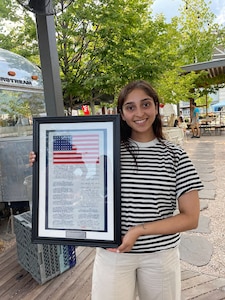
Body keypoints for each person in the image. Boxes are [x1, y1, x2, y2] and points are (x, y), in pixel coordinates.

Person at [29, 80, 203, 300]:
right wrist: (45, 164)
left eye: (146, 104)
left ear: (156, 106)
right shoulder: (108, 152)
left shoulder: (175, 155)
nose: (139, 113)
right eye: (130, 107)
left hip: (160, 255)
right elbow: (81, 191)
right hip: (113, 253)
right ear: (121, 114)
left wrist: (139, 230)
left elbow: (191, 218)